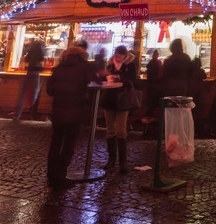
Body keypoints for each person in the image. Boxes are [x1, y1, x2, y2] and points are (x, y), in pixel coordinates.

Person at [45, 43, 97, 188]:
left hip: (58, 112)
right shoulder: (85, 67)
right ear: (82, 56)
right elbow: (94, 81)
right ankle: (60, 177)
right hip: (75, 111)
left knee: (55, 143)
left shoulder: (58, 68)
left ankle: (51, 175)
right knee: (69, 144)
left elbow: (50, 90)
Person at [100, 45, 137, 173]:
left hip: (122, 100)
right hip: (109, 99)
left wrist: (120, 79)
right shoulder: (110, 65)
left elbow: (132, 81)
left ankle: (123, 162)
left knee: (121, 130)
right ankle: (111, 160)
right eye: (116, 54)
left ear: (125, 55)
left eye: (120, 55)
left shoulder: (130, 66)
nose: (117, 57)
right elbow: (102, 79)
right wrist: (103, 76)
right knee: (110, 130)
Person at [13, 39, 44, 121]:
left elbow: (26, 60)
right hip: (36, 73)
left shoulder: (31, 51)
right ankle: (32, 114)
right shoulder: (40, 52)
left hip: (29, 72)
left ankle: (17, 115)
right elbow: (41, 60)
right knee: (35, 94)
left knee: (22, 94)